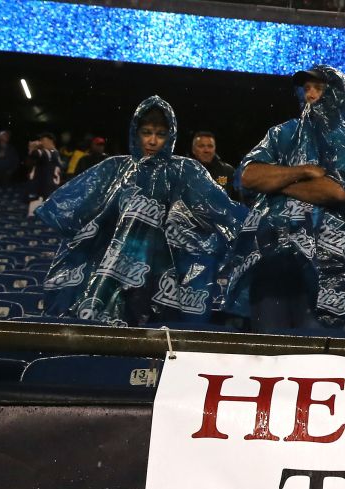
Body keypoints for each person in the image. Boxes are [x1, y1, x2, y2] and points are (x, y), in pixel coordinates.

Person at [36, 96, 245, 325]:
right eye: (147, 132)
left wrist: (255, 223)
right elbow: (71, 214)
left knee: (158, 339)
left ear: (171, 136)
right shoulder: (114, 168)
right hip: (114, 269)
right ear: (136, 132)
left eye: (161, 134)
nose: (153, 141)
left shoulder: (185, 170)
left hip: (164, 273)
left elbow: (222, 210)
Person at [219, 65, 345, 332]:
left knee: (311, 358)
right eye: (306, 88)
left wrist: (275, 183)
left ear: (337, 95)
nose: (311, 95)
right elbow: (247, 176)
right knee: (267, 349)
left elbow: (336, 192)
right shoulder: (281, 134)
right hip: (270, 259)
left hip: (327, 269)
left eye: (319, 88)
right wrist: (303, 172)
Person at [190, 131, 239, 202]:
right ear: (193, 150)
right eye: (201, 146)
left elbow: (238, 201)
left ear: (214, 148)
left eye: (210, 146)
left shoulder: (228, 171)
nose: (206, 150)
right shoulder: (184, 171)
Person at [26, 132, 63, 217]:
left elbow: (36, 154)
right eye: (41, 140)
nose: (41, 142)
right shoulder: (56, 152)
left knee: (36, 216)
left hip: (45, 187)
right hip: (50, 186)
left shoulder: (49, 152)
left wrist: (32, 148)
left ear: (51, 141)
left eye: (43, 140)